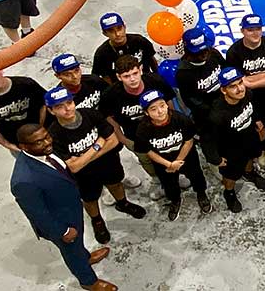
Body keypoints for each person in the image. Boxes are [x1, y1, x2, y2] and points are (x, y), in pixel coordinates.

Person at [10, 124, 117, 291]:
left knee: (78, 245)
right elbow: (37, 214)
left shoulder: (48, 152)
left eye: (46, 136)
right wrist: (63, 232)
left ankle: (86, 257)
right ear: (24, 147)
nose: (47, 143)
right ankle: (88, 282)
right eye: (39, 142)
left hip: (71, 207)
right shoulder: (23, 180)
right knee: (71, 252)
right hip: (60, 222)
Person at [44, 87, 146, 244]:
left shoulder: (90, 114)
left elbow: (113, 141)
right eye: (59, 106)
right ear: (51, 111)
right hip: (84, 176)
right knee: (90, 198)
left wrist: (84, 158)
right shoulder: (54, 134)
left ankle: (123, 203)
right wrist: (97, 145)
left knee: (116, 183)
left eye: (69, 103)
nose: (67, 109)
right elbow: (74, 167)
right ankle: (97, 220)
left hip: (108, 163)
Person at [100, 55, 176, 199]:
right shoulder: (111, 95)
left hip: (162, 131)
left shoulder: (155, 81)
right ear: (119, 77)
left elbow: (169, 100)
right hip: (135, 137)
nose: (132, 79)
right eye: (126, 76)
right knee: (147, 161)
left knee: (170, 153)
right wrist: (122, 138)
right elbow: (108, 117)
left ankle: (175, 175)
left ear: (141, 69)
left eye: (135, 73)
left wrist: (171, 124)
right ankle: (158, 181)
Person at [136, 90, 211, 220]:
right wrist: (169, 165)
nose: (160, 111)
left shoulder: (181, 119)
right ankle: (175, 200)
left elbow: (189, 141)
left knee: (196, 176)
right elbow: (148, 151)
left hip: (186, 157)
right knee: (169, 184)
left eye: (162, 105)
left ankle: (201, 194)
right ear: (146, 113)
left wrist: (178, 161)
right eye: (153, 109)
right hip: (163, 163)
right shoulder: (143, 129)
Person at [210, 67, 265, 212]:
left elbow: (252, 109)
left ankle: (249, 173)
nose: (239, 89)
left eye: (240, 83)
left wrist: (258, 121)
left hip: (250, 137)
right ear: (224, 90)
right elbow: (208, 139)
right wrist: (216, 158)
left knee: (250, 157)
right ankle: (229, 192)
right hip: (231, 149)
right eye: (233, 86)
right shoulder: (217, 115)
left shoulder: (247, 94)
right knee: (231, 175)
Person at [174, 27, 227, 165]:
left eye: (205, 49)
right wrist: (213, 110)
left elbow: (226, 70)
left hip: (226, 100)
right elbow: (190, 99)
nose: (203, 54)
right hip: (205, 113)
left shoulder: (213, 54)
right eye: (198, 51)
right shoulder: (184, 72)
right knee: (209, 137)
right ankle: (214, 161)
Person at [225, 14, 265, 122]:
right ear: (242, 31)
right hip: (250, 96)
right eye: (250, 30)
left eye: (258, 29)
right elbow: (240, 82)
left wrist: (251, 83)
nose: (255, 33)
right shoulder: (233, 52)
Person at [0, 69, 46, 152]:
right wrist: (7, 144)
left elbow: (44, 103)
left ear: (1, 70)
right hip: (18, 143)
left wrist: (41, 127)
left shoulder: (25, 84)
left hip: (45, 133)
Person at [91, 12, 157, 83]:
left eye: (119, 28)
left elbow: (152, 61)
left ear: (124, 27)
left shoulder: (140, 41)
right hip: (120, 89)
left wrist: (157, 78)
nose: (117, 34)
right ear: (105, 34)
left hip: (146, 81)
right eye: (111, 31)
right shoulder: (101, 54)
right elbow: (103, 77)